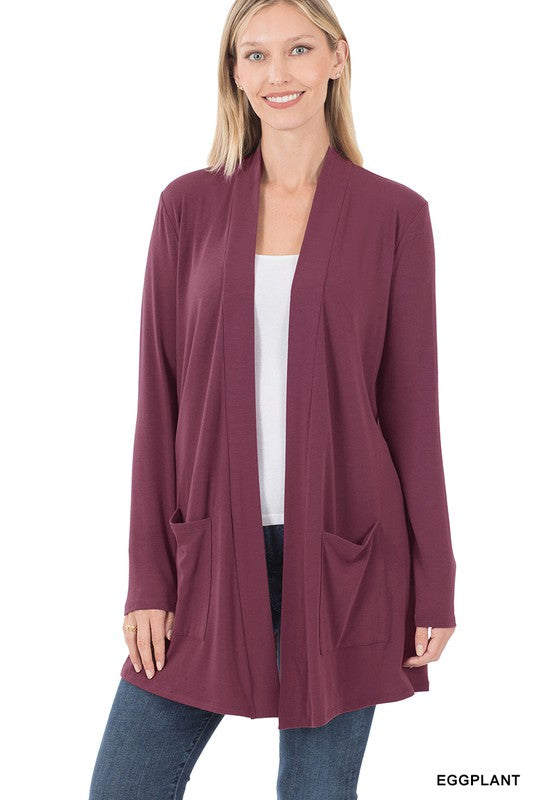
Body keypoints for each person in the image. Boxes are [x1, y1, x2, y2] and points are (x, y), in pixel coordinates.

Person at [89, 1, 457, 797]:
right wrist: (148, 578)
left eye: (297, 49)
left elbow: (411, 414)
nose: (276, 73)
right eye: (253, 55)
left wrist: (435, 581)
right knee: (125, 783)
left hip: (348, 555)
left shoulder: (394, 214)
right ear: (233, 72)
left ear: (336, 59)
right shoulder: (187, 206)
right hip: (208, 552)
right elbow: (158, 401)